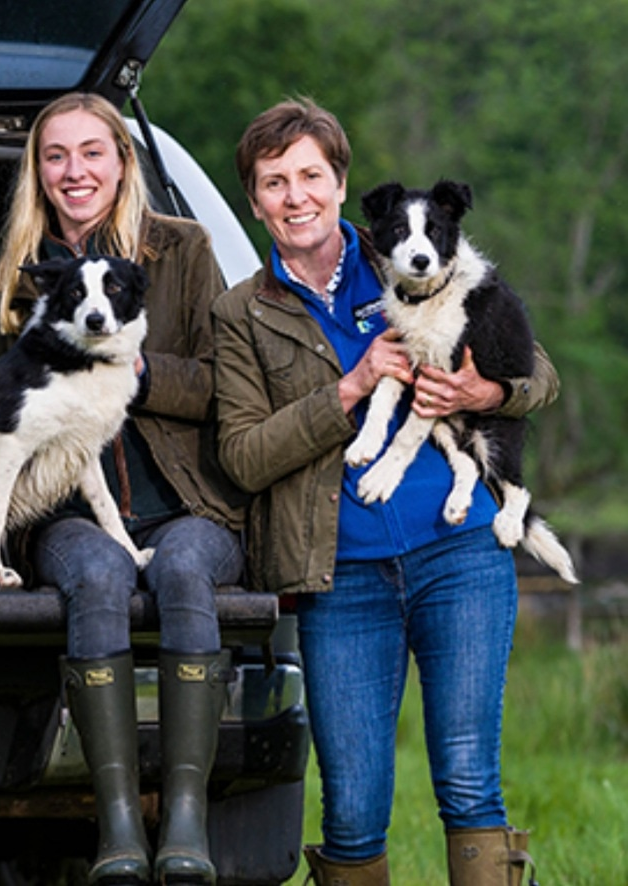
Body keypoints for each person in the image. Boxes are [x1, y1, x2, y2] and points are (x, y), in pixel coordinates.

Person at [0, 92, 248, 885]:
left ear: (122, 161)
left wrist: (137, 371)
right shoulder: (22, 276)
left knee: (183, 569)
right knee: (97, 575)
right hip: (61, 509)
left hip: (183, 499)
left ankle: (182, 821)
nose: (74, 171)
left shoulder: (179, 250)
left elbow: (228, 381)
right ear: (38, 174)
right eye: (55, 156)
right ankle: (117, 824)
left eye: (91, 152)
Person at [212, 98, 549, 885]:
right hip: (340, 574)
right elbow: (241, 456)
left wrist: (485, 396)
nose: (294, 197)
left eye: (310, 176)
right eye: (272, 182)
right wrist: (346, 390)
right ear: (253, 199)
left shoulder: (415, 247)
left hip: (458, 551)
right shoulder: (240, 313)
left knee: (468, 781)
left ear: (339, 184)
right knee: (352, 808)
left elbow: (538, 371)